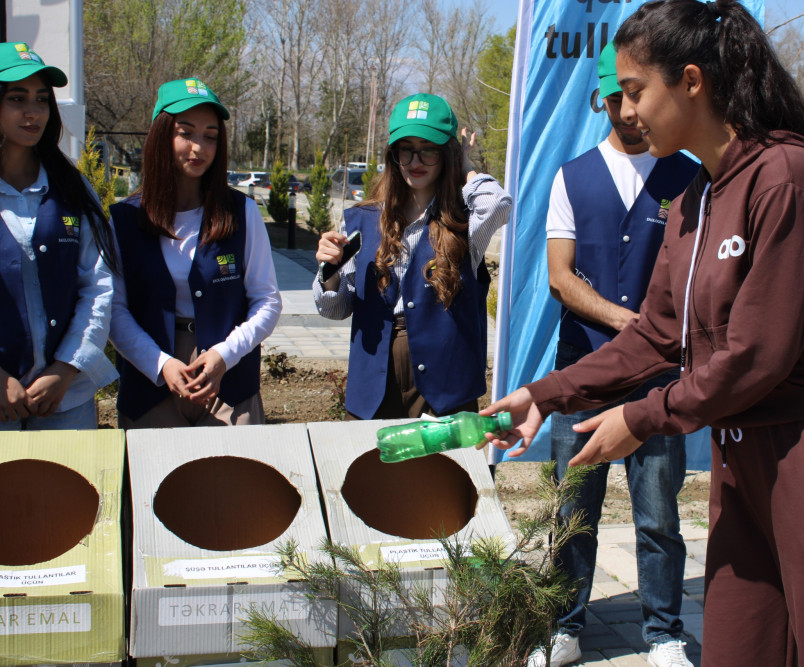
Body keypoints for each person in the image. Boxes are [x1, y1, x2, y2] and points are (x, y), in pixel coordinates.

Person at [485, 2, 804, 666]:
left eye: (635, 89)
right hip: (742, 465)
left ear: (691, 81)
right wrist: (546, 392)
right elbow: (654, 336)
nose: (627, 110)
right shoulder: (695, 202)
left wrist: (645, 417)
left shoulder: (789, 178)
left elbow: (757, 356)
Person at [528, 42, 700, 667]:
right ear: (599, 97)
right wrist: (625, 321)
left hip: (659, 380)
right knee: (574, 507)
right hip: (585, 365)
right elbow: (560, 276)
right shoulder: (572, 176)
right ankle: (563, 625)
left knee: (657, 512)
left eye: (635, 96)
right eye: (614, 98)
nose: (628, 112)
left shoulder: (687, 174)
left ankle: (663, 633)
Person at [314, 93, 511, 419]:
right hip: (373, 389)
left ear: (447, 154)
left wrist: (466, 165)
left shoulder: (464, 223)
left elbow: (497, 203)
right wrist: (330, 272)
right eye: (406, 149)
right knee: (373, 468)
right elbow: (335, 309)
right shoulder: (361, 221)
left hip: (445, 391)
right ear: (393, 154)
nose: (415, 161)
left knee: (441, 470)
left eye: (429, 150)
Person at [109, 78, 281, 428]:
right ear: (161, 136)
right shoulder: (125, 219)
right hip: (150, 380)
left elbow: (267, 300)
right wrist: (161, 365)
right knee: (156, 479)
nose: (198, 147)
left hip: (229, 380)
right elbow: (113, 309)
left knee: (233, 480)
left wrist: (223, 355)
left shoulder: (242, 213)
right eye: (185, 133)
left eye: (210, 136)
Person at [0, 42, 118, 430]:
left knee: (66, 491)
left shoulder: (72, 187)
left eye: (41, 99)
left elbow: (98, 284)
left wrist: (66, 368)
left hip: (65, 401)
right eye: (17, 98)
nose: (33, 111)